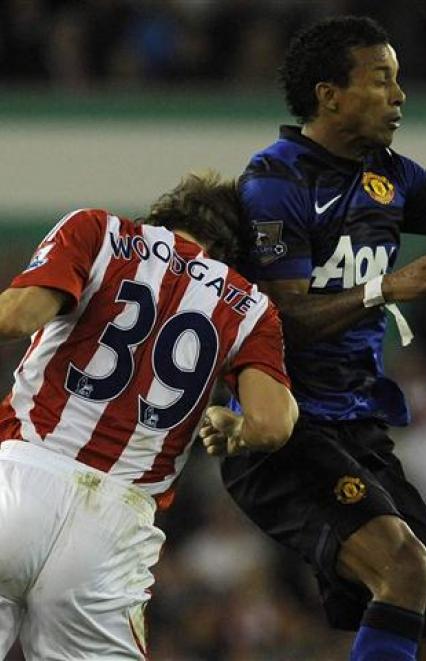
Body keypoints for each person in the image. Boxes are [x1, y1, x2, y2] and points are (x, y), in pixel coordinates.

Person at [204, 15, 426, 661]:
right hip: (283, 430)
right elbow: (278, 319)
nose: (399, 96)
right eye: (381, 79)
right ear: (328, 93)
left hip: (358, 432)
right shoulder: (277, 183)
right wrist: (382, 290)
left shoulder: (387, 176)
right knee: (405, 570)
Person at [0, 171, 298, 660]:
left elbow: (16, 317)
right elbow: (273, 425)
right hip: (115, 522)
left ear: (165, 215)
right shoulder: (250, 306)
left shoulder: (99, 231)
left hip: (21, 474)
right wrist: (236, 427)